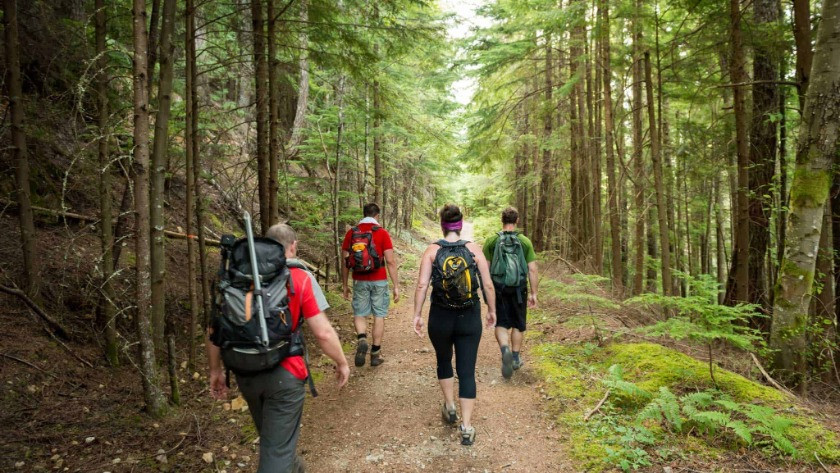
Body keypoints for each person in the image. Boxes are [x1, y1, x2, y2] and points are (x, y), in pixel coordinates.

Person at [207, 223, 350, 473]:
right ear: (293, 246)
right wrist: (341, 362)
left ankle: (294, 468)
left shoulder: (236, 277)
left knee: (274, 440)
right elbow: (323, 332)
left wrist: (215, 370)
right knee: (276, 451)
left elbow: (214, 330)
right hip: (286, 374)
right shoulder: (299, 277)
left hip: (244, 371)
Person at [413, 204, 496, 446]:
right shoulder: (473, 250)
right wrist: (491, 311)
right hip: (469, 317)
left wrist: (417, 315)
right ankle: (467, 427)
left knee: (443, 360)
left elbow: (421, 285)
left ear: (442, 224)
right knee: (467, 370)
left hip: (440, 317)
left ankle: (450, 407)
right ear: (460, 225)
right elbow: (488, 284)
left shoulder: (431, 250)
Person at [341, 203, 400, 367]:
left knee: (360, 313)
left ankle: (361, 338)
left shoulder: (352, 233)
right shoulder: (382, 233)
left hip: (359, 279)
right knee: (379, 314)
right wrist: (396, 285)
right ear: (377, 215)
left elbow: (345, 261)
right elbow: (390, 261)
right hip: (379, 279)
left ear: (364, 214)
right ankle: (375, 354)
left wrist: (345, 284)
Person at [483, 207, 539, 379]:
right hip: (518, 288)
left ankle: (505, 349)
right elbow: (532, 269)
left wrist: (487, 291)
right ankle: (515, 357)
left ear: (502, 220)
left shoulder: (492, 240)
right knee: (518, 323)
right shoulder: (524, 241)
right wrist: (534, 293)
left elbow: (485, 268)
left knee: (500, 322)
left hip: (498, 287)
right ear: (517, 220)